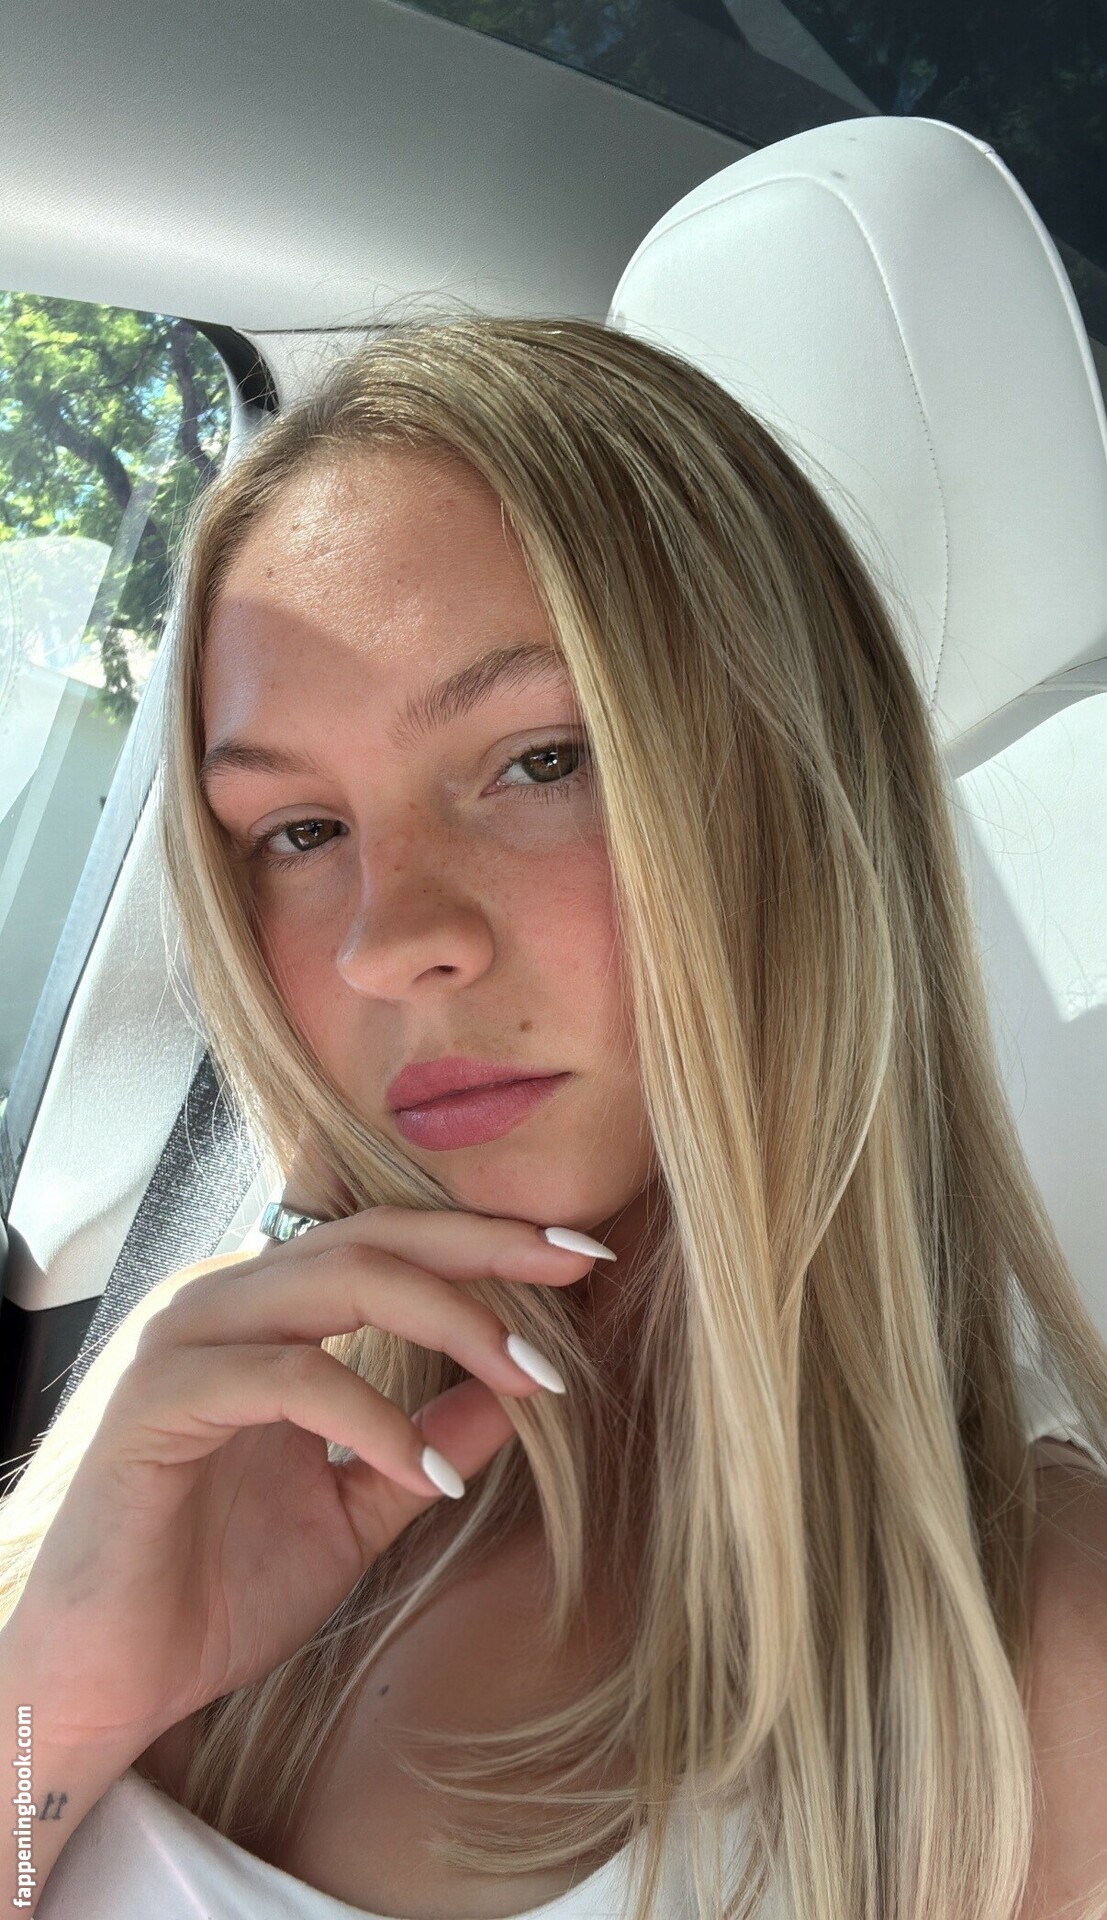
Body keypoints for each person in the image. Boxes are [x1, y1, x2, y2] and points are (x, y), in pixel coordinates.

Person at [2, 308, 1107, 1920]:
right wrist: (59, 1706)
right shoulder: (200, 1401)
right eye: (299, 831)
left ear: (798, 797)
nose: (388, 942)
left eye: (539, 761)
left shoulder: (1035, 1679)